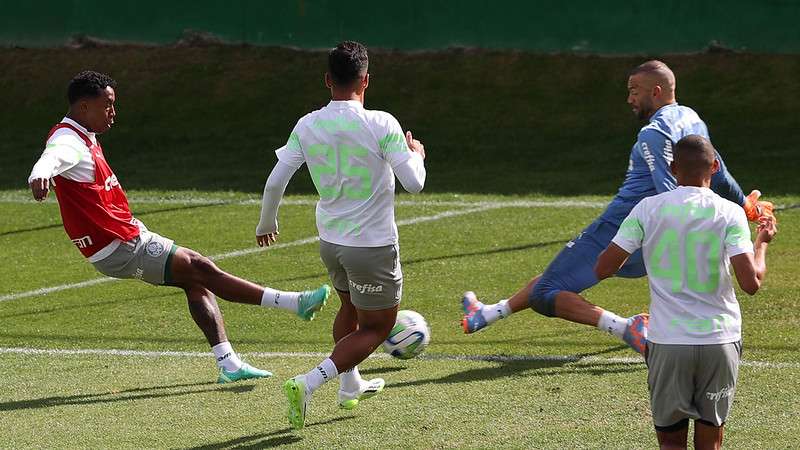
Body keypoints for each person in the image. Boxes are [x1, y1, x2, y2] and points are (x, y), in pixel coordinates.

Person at [28, 70, 330, 383]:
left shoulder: (82, 135)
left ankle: (228, 363)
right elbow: (53, 157)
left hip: (123, 237)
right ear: (83, 107)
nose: (113, 113)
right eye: (107, 106)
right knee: (200, 267)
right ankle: (295, 303)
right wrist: (39, 175)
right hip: (119, 246)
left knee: (194, 281)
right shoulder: (68, 141)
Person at [460, 60, 775, 354]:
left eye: (634, 91)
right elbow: (716, 169)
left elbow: (672, 195)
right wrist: (744, 206)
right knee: (560, 274)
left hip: (624, 231)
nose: (629, 99)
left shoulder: (654, 132)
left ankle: (626, 327)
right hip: (649, 239)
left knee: (548, 292)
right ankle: (487, 314)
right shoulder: (692, 118)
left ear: (656, 91)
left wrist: (673, 233)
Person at [256, 41, 427, 429]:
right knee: (378, 326)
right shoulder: (382, 123)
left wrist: (267, 221)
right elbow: (414, 184)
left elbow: (275, 181)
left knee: (349, 309)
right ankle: (308, 382)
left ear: (327, 80)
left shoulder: (307, 123)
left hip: (331, 243)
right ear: (366, 80)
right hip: (372, 246)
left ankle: (350, 387)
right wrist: (416, 153)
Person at [594, 134, 776, 450]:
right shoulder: (730, 212)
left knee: (671, 444)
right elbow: (751, 283)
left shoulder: (647, 209)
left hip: (668, 341)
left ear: (673, 167)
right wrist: (761, 243)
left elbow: (603, 268)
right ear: (715, 167)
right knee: (710, 444)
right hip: (719, 339)